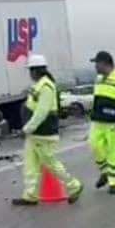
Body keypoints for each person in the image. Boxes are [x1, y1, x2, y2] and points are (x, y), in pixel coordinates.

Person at [12, 54, 83, 206]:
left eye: (31, 70)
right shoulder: (39, 85)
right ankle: (30, 195)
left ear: (37, 70)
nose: (30, 74)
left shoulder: (46, 87)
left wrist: (26, 129)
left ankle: (74, 186)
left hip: (43, 133)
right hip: (35, 134)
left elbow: (41, 113)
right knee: (31, 165)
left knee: (51, 163)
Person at [89, 51, 115, 195]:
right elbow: (97, 97)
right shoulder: (99, 78)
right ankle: (104, 172)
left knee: (114, 151)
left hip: (114, 122)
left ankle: (113, 183)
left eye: (97, 63)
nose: (95, 66)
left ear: (105, 63)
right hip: (98, 120)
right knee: (95, 146)